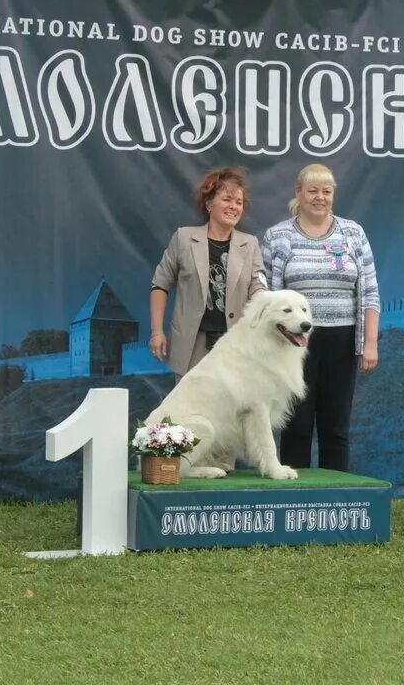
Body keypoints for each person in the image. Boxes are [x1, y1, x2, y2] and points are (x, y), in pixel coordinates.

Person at [262, 163, 380, 472]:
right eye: (312, 191)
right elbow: (266, 299)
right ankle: (294, 496)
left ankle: (337, 498)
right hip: (293, 345)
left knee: (336, 427)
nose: (320, 197)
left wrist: (370, 343)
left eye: (326, 191)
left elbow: (369, 293)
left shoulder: (353, 233)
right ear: (298, 193)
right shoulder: (278, 236)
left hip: (342, 341)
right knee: (296, 425)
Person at [149, 167, 266, 377]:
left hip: (236, 346)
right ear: (209, 203)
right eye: (227, 199)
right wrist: (157, 332)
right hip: (191, 348)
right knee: (186, 409)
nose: (233, 207)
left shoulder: (250, 244)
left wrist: (261, 297)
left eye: (238, 202)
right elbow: (160, 284)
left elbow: (258, 283)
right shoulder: (183, 238)